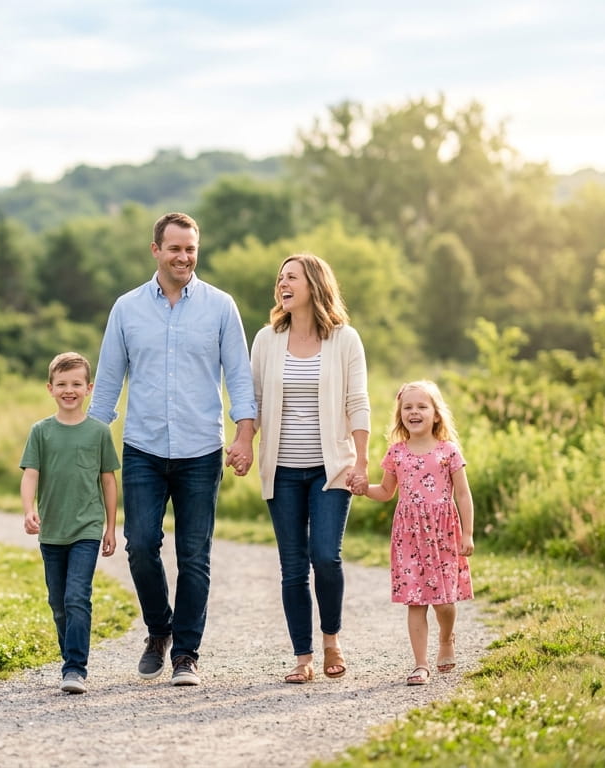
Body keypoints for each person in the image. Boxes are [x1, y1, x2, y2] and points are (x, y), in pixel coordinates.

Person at [89, 212, 256, 688]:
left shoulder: (221, 307)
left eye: (191, 249)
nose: (184, 257)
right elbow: (106, 387)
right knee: (140, 545)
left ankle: (186, 654)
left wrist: (244, 435)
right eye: (175, 248)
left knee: (194, 555)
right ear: (156, 250)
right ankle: (158, 629)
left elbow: (240, 378)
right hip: (142, 447)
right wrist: (89, 452)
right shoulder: (126, 309)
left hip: (201, 450)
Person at [249, 252, 370, 684]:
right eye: (280, 277)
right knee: (293, 565)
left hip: (331, 468)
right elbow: (255, 401)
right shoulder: (267, 339)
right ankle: (303, 657)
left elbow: (357, 401)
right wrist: (245, 442)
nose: (283, 283)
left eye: (293, 277)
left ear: (315, 285)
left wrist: (362, 460)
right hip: (280, 469)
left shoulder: (345, 339)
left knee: (326, 556)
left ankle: (331, 638)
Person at [359, 380, 475, 686]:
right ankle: (420, 664)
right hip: (409, 537)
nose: (414, 412)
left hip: (444, 534)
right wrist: (362, 489)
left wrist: (468, 534)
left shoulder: (448, 451)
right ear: (400, 415)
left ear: (436, 414)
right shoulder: (396, 453)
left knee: (445, 602)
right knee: (416, 600)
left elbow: (463, 494)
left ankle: (447, 638)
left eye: (422, 406)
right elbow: (386, 491)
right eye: (407, 407)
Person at [21, 351, 121, 694]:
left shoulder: (98, 433)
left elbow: (108, 480)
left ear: (89, 388)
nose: (69, 390)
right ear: (50, 388)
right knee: (58, 602)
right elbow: (30, 474)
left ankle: (75, 667)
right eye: (62, 384)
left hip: (87, 530)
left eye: (76, 384)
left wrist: (110, 527)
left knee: (78, 596)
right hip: (52, 531)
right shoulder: (41, 432)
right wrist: (28, 509)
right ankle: (70, 658)